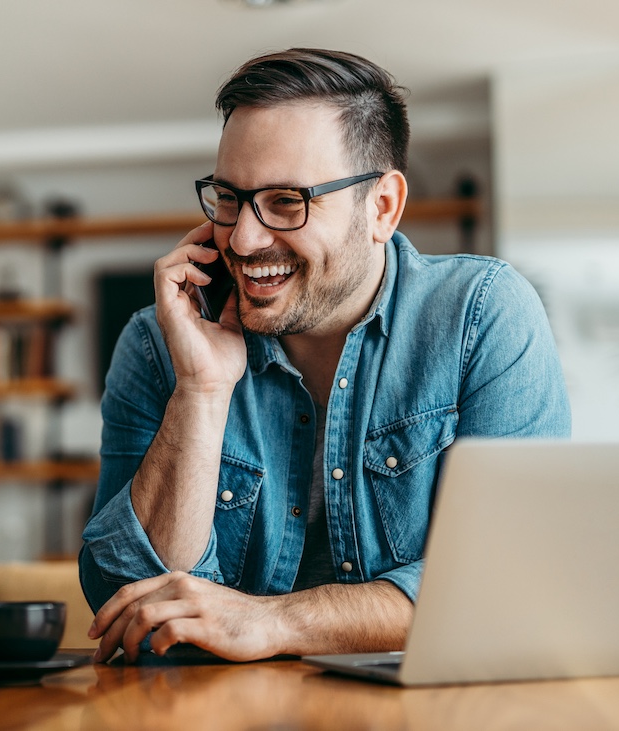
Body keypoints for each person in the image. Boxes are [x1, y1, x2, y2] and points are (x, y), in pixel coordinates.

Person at [79, 48, 571, 664]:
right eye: (229, 198)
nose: (244, 238)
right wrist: (201, 391)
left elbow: (517, 579)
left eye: (287, 201)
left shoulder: (482, 314)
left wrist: (275, 622)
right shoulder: (158, 343)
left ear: (382, 208)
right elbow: (126, 600)